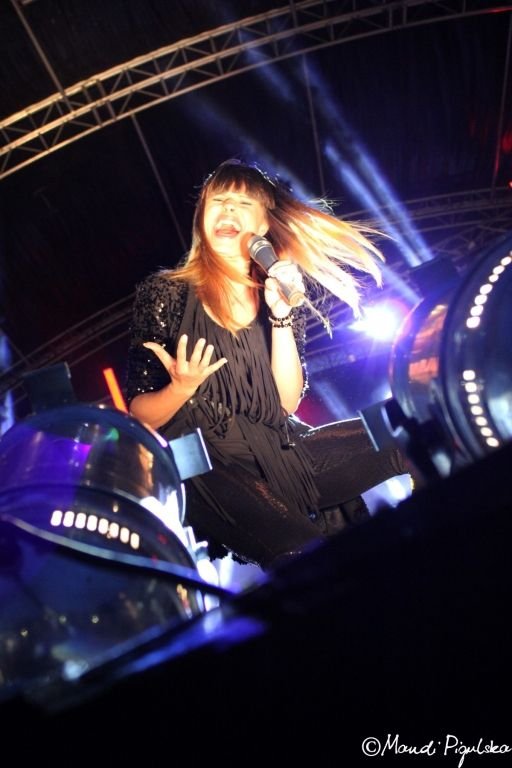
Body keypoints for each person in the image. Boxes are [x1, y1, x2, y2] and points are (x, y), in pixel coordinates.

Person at [125, 159, 408, 569]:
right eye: (218, 201)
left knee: (405, 431)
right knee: (305, 553)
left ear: (263, 223)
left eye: (243, 203)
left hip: (281, 451)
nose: (228, 209)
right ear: (201, 217)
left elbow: (285, 405)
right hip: (207, 466)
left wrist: (280, 316)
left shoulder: (277, 291)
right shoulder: (165, 293)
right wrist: (181, 388)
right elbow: (141, 414)